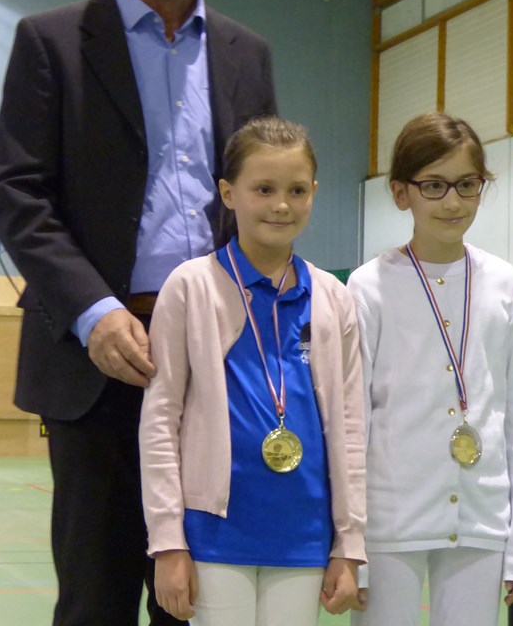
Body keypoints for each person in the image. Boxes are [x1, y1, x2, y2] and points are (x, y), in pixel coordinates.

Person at [0, 0, 277, 623]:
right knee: (96, 599)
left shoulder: (247, 55)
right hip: (100, 362)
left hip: (216, 362)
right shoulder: (52, 43)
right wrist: (95, 313)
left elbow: (264, 199)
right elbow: (19, 194)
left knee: (200, 601)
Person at [138, 118, 366, 626]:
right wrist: (168, 541)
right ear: (228, 193)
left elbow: (350, 428)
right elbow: (159, 421)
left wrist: (349, 544)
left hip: (304, 534)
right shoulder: (190, 286)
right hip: (215, 534)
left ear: (314, 193)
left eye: (296, 190)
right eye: (264, 189)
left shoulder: (333, 297)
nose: (281, 205)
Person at [347, 112, 513, 626]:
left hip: (481, 519)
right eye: (433, 186)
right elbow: (352, 422)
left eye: (467, 184)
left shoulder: (503, 283)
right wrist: (349, 542)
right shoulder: (368, 287)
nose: (452, 202)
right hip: (388, 524)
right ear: (400, 193)